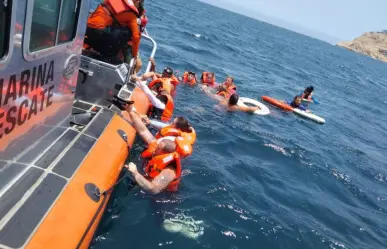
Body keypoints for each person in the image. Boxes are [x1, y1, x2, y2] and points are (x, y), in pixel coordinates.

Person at [123, 104, 193, 193]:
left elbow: (154, 189)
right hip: (148, 177)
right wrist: (130, 112)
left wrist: (135, 173)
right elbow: (143, 131)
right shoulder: (158, 147)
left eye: (157, 149)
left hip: (163, 197)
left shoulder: (169, 171)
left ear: (164, 153)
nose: (155, 149)